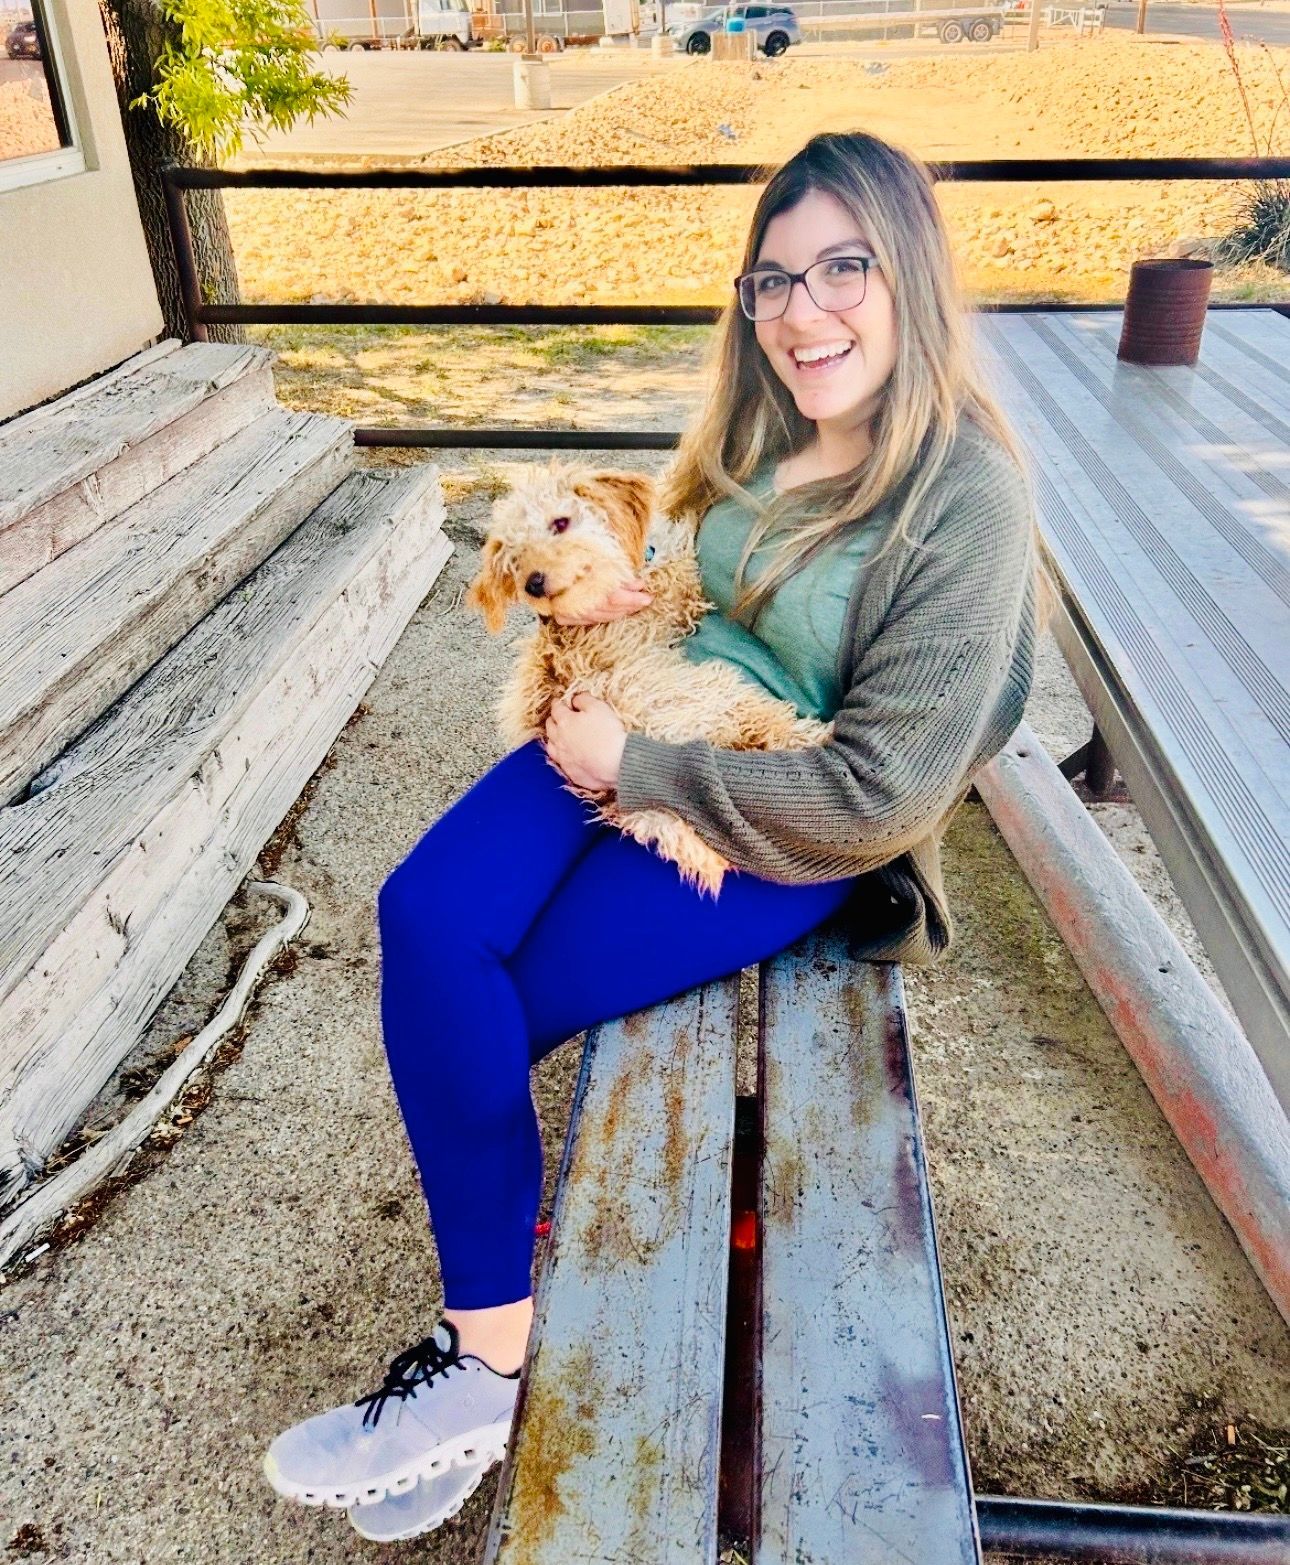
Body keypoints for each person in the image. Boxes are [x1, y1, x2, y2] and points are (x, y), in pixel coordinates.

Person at [262, 128, 1046, 1541]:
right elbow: (709, 584)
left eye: (844, 270)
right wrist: (630, 601)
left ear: (911, 276)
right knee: (425, 920)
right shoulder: (767, 429)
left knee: (494, 997)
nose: (802, 312)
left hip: (776, 814)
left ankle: (482, 1362)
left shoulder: (964, 498)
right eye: (773, 281)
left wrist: (640, 766)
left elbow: (882, 792)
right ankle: (496, 1311)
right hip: (637, 700)